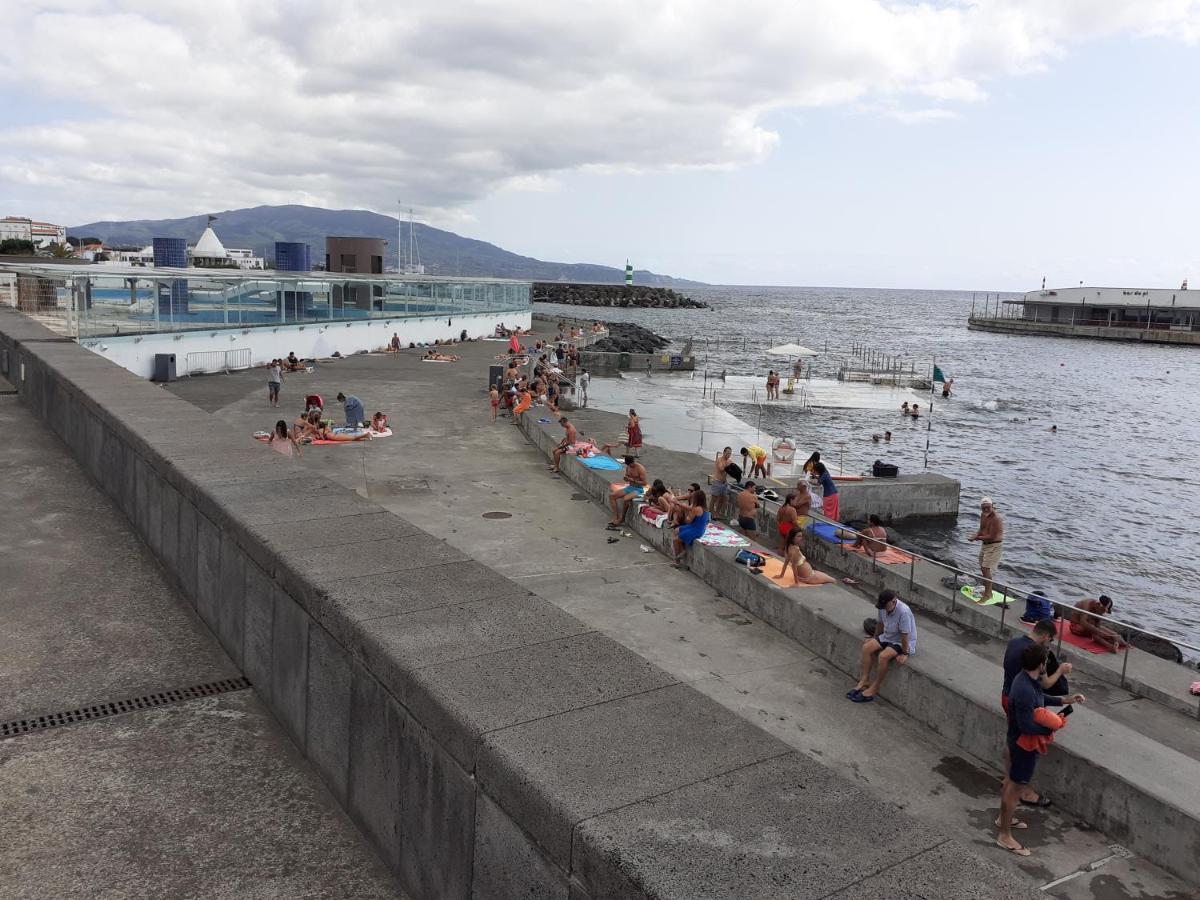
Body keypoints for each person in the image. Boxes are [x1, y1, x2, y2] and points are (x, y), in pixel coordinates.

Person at [997, 644, 1084, 856]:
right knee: (1014, 789)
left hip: (1015, 740)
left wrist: (1066, 700)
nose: (1047, 665)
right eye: (1046, 661)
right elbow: (1027, 725)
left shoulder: (1027, 679)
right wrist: (1054, 725)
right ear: (1041, 664)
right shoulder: (1025, 688)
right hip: (1024, 746)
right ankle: (1004, 836)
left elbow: (1041, 698)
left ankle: (1003, 820)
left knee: (1010, 782)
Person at [1000, 619, 1074, 808]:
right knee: (1023, 744)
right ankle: (1021, 789)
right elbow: (1045, 685)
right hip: (1023, 700)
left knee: (1012, 738)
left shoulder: (1014, 642)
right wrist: (1060, 670)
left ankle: (1009, 778)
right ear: (1046, 636)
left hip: (1007, 695)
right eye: (1049, 640)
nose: (1048, 644)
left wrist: (1063, 701)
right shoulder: (1034, 654)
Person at [848, 590, 917, 703]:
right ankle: (865, 680)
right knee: (867, 648)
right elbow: (880, 623)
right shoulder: (883, 607)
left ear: (894, 602)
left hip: (901, 641)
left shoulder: (903, 612)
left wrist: (905, 653)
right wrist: (875, 638)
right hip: (888, 635)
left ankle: (875, 687)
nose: (884, 609)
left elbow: (905, 636)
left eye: (886, 606)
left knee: (883, 656)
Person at [968, 497, 1004, 602]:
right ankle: (988, 590)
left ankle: (988, 594)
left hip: (994, 545)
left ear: (993, 506)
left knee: (985, 568)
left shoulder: (996, 519)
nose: (986, 510)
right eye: (984, 508)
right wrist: (976, 535)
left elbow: (992, 536)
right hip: (985, 545)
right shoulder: (983, 515)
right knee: (982, 566)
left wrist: (976, 538)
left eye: (988, 507)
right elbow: (982, 528)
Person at [672, 489, 710, 568]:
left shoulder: (697, 509)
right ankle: (682, 550)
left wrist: (686, 514)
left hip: (695, 530)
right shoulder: (704, 507)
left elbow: (688, 521)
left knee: (675, 540)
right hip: (695, 527)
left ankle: (677, 561)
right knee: (676, 530)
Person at [607, 456, 648, 528]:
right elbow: (626, 477)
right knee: (612, 496)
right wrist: (626, 478)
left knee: (626, 499)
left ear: (633, 462)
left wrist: (634, 480)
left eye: (631, 465)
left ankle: (622, 518)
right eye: (628, 465)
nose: (630, 466)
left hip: (638, 489)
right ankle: (615, 517)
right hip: (630, 487)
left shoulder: (640, 468)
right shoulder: (628, 467)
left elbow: (644, 483)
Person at [711, 447, 734, 518]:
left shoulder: (730, 461)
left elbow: (732, 471)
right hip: (717, 481)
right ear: (724, 452)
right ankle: (710, 512)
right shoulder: (719, 460)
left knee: (722, 499)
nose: (729, 455)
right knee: (714, 499)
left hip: (724, 483)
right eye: (727, 453)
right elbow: (721, 469)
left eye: (730, 453)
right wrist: (728, 465)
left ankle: (717, 513)